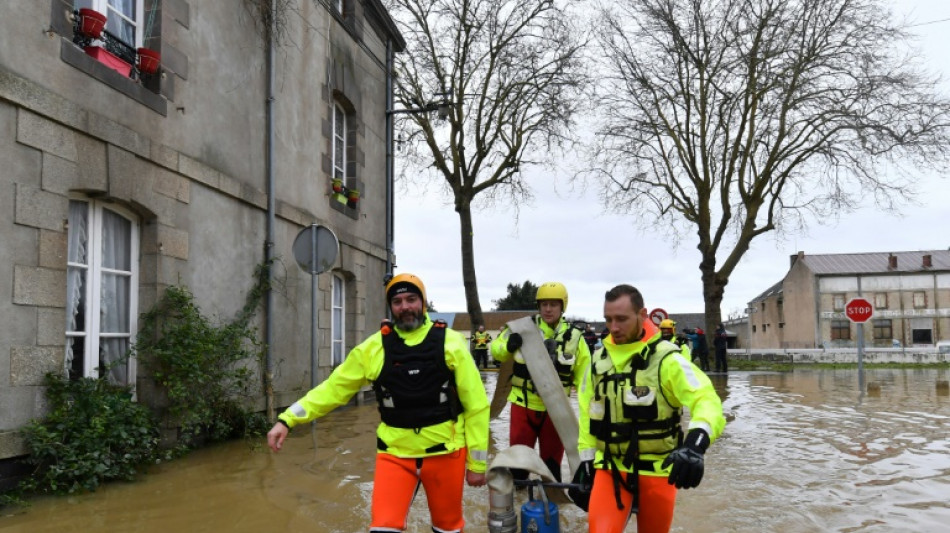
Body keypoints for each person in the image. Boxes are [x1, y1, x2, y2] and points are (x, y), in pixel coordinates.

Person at [266, 273, 489, 533]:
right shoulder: (372, 348)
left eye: (411, 299)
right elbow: (333, 390)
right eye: (397, 301)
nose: (405, 306)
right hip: (394, 455)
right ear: (391, 307)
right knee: (382, 528)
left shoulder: (452, 343)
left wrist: (477, 464)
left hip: (446, 454)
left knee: (447, 528)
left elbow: (477, 406)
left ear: (423, 302)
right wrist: (287, 419)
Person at [573, 284, 725, 533]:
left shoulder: (668, 360)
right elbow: (588, 413)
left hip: (658, 469)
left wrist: (695, 445)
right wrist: (587, 461)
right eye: (608, 319)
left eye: (621, 319)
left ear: (642, 315)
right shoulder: (597, 362)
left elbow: (706, 399)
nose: (613, 327)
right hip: (610, 469)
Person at [490, 281, 592, 482]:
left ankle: (551, 502)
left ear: (563, 306)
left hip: (556, 411)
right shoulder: (520, 328)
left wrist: (589, 417)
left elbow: (585, 381)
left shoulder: (576, 338)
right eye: (543, 304)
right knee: (518, 468)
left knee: (552, 468)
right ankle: (519, 500)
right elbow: (496, 350)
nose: (547, 309)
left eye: (553, 304)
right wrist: (508, 347)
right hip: (522, 405)